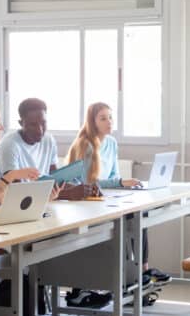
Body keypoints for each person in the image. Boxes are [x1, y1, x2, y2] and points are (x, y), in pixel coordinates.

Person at [68, 102, 171, 286]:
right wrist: (120, 183)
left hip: (105, 197)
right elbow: (88, 184)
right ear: (93, 122)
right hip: (85, 201)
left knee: (141, 212)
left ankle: (142, 270)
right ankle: (127, 275)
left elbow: (114, 174)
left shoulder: (112, 142)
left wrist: (122, 185)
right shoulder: (86, 145)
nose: (109, 122)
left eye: (110, 117)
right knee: (124, 220)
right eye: (103, 118)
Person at [0, 98, 95, 200]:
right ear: (21, 123)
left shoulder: (48, 140)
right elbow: (17, 192)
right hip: (13, 206)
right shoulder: (9, 146)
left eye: (43, 123)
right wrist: (68, 194)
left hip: (42, 202)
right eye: (33, 125)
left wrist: (85, 190)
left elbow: (55, 180)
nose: (40, 130)